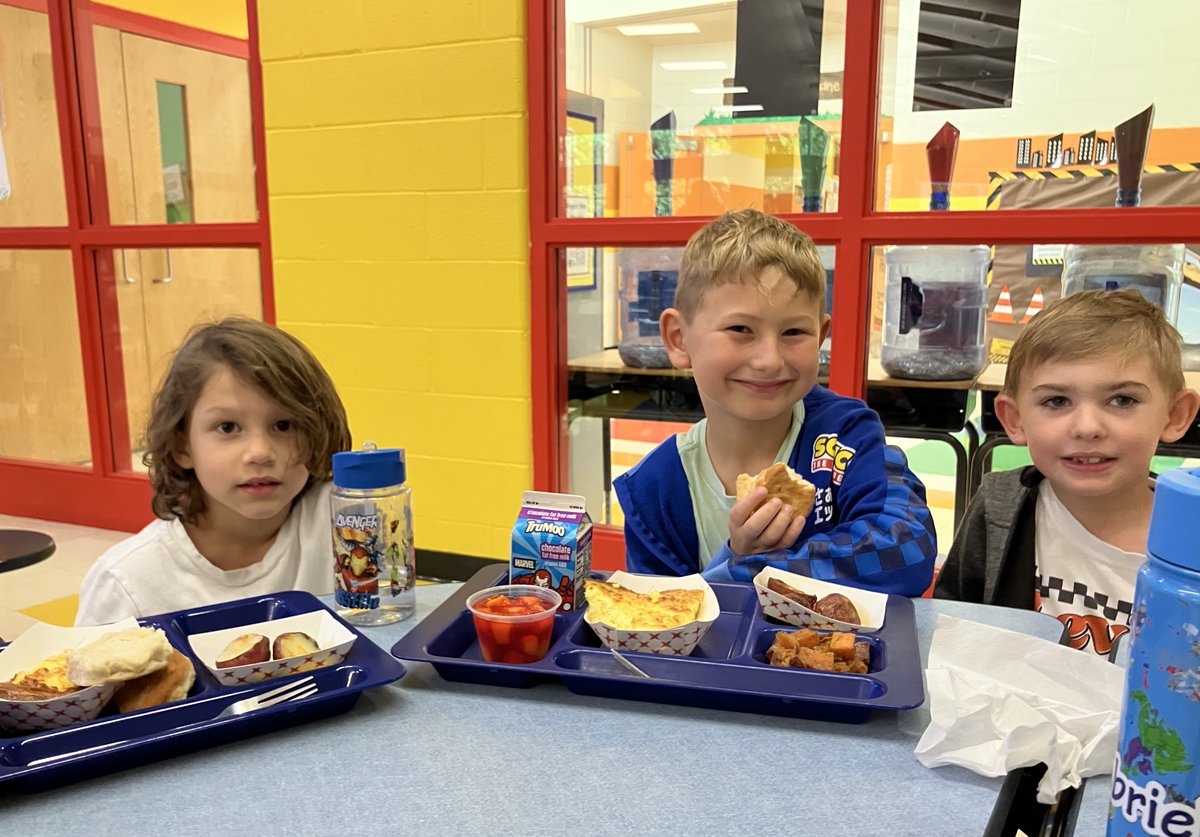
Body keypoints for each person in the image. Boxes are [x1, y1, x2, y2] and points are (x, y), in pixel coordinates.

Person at [613, 209, 937, 596]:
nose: (769, 359)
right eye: (740, 329)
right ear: (679, 338)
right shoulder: (652, 489)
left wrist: (748, 565)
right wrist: (737, 556)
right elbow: (656, 625)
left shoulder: (847, 436)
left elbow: (908, 549)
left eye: (794, 332)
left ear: (820, 337)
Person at [934, 289, 1199, 655]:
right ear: (1015, 419)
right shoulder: (998, 506)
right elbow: (952, 628)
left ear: (1175, 415)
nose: (1087, 427)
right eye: (1056, 401)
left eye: (1123, 400)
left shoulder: (1190, 537)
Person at [76, 318, 352, 625]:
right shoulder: (127, 583)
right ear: (182, 447)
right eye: (228, 427)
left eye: (284, 425)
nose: (260, 452)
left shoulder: (346, 525)